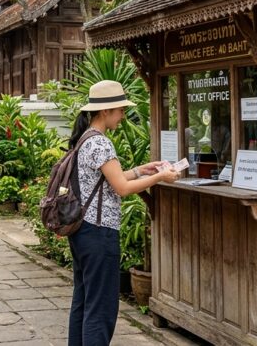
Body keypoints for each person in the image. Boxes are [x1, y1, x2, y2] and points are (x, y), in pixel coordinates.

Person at [68, 80, 179, 346]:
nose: (122, 116)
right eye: (120, 110)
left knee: (83, 301)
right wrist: (161, 177)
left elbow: (110, 178)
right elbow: (122, 187)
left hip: (82, 230)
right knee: (101, 308)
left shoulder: (85, 139)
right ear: (105, 111)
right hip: (98, 233)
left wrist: (144, 170)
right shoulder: (101, 144)